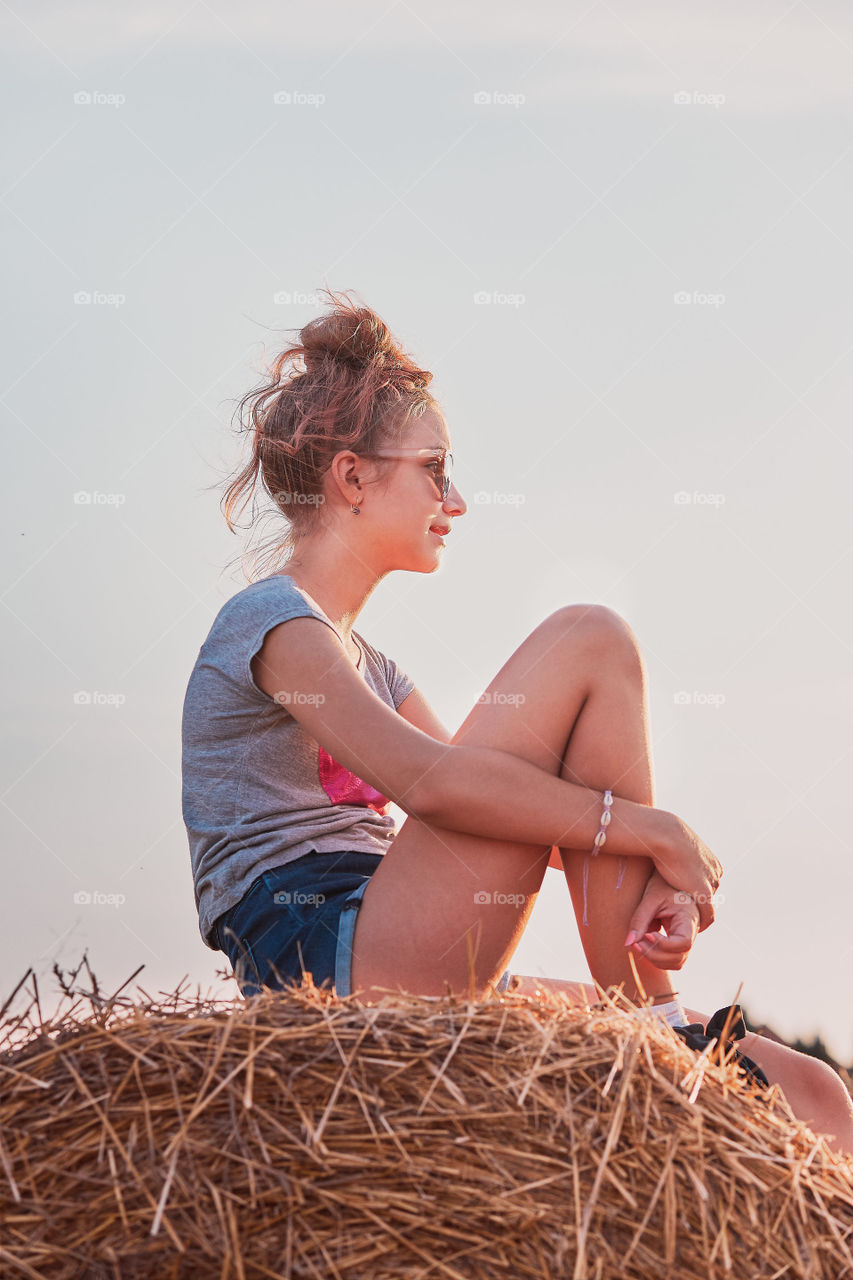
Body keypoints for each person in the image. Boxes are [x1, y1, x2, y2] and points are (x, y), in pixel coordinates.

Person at [181, 287, 853, 1159]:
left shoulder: (374, 667)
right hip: (324, 960)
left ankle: (654, 1021)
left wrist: (662, 879)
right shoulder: (270, 623)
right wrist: (652, 830)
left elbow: (517, 795)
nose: (453, 500)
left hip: (390, 946)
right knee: (591, 639)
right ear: (352, 477)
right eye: (433, 468)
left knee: (810, 1090)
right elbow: (439, 786)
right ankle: (651, 1027)